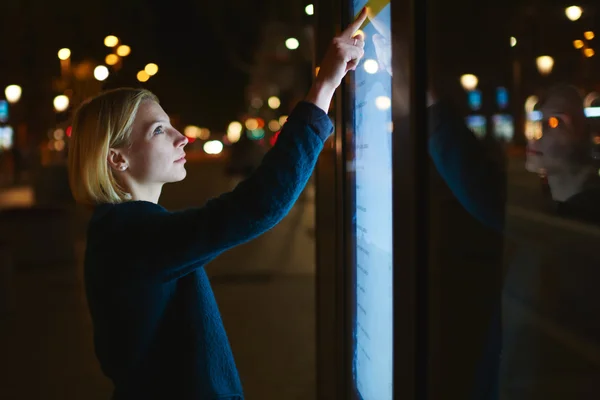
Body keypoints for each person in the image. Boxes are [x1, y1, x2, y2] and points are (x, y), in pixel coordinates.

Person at [67, 8, 368, 399]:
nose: (182, 138)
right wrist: (324, 85)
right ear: (116, 158)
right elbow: (254, 207)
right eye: (159, 130)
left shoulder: (122, 231)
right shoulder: (129, 236)